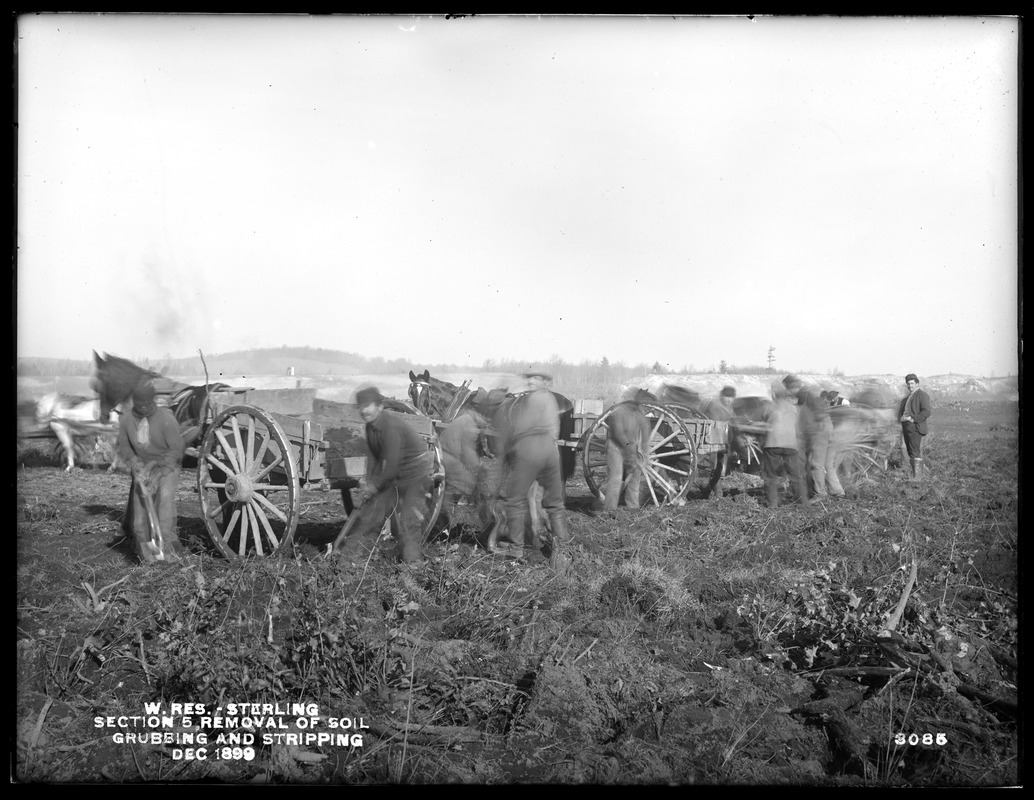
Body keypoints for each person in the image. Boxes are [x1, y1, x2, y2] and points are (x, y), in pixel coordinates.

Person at [333, 385, 434, 563]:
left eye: (368, 405)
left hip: (414, 470)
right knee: (373, 513)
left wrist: (374, 486)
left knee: (407, 519)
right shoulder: (371, 428)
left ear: (379, 406)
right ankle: (352, 559)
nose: (364, 410)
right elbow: (374, 459)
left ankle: (413, 564)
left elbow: (391, 466)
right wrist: (368, 484)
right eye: (361, 407)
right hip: (395, 472)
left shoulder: (391, 427)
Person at [498, 372, 568, 564]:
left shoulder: (533, 399)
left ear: (545, 381)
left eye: (535, 378)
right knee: (555, 502)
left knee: (513, 499)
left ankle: (516, 548)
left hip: (531, 448)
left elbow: (523, 426)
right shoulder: (551, 398)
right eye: (529, 378)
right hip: (551, 451)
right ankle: (562, 550)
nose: (530, 381)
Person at [116, 381, 187, 563]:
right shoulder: (126, 421)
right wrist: (134, 462)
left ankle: (169, 552)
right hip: (141, 469)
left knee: (163, 507)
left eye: (148, 403)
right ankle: (149, 559)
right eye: (140, 404)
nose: (145, 407)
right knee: (139, 523)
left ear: (153, 400)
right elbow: (123, 446)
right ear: (135, 402)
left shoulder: (165, 419)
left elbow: (176, 449)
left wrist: (158, 472)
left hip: (166, 468)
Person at [759, 378, 809, 508]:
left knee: (771, 476)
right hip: (790, 445)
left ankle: (772, 504)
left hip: (773, 444)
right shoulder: (792, 407)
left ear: (774, 394)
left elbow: (763, 422)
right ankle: (803, 503)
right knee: (796, 475)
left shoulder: (770, 406)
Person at [604, 388, 652, 511]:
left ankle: (633, 507)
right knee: (616, 478)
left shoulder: (638, 413)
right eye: (636, 404)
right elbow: (618, 434)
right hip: (616, 448)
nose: (639, 406)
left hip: (631, 448)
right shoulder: (619, 412)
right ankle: (610, 509)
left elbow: (645, 434)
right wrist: (629, 447)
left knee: (635, 477)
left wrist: (645, 453)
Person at [797, 382, 846, 500]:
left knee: (816, 464)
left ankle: (820, 493)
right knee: (828, 464)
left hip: (819, 434)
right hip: (830, 430)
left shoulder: (807, 408)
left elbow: (805, 427)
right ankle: (837, 491)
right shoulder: (822, 403)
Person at [898, 373, 932, 480]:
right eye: (908, 384)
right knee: (911, 452)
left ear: (917, 384)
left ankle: (917, 479)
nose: (910, 386)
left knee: (914, 453)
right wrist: (901, 418)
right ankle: (916, 476)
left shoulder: (922, 395)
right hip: (907, 428)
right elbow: (901, 413)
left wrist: (913, 419)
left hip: (916, 427)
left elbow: (926, 412)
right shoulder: (907, 398)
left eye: (912, 383)